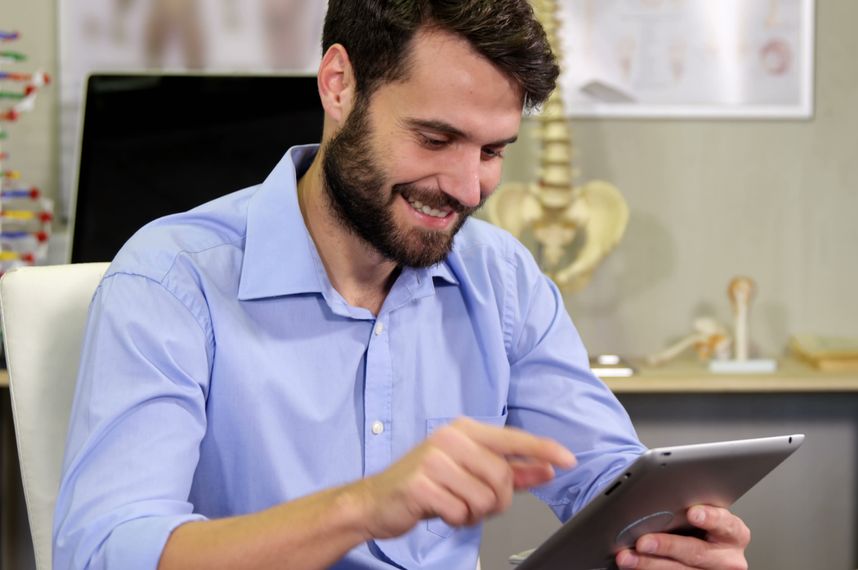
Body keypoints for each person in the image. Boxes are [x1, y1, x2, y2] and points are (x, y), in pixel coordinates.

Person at [53, 1, 751, 568]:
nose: (467, 188)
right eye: (436, 139)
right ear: (338, 85)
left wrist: (668, 538)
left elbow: (611, 481)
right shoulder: (171, 279)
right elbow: (108, 551)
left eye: (492, 150)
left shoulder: (501, 277)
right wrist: (363, 507)